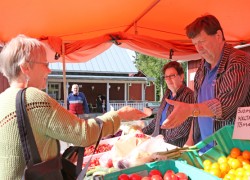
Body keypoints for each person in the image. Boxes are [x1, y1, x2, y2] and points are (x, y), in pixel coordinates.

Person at [0, 35, 149, 180]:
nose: (49, 70)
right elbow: (84, 134)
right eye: (45, 64)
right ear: (26, 67)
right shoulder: (33, 98)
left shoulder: (3, 99)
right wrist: (119, 115)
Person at [161, 14, 250, 151]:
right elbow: (196, 108)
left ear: (218, 36)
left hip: (240, 151)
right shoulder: (202, 68)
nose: (198, 48)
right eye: (195, 44)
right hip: (207, 149)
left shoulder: (239, 61)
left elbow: (226, 105)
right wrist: (190, 140)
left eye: (202, 41)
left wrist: (190, 110)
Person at [142, 61, 194, 147]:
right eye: (166, 77)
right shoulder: (167, 94)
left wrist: (164, 140)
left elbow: (185, 126)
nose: (168, 79)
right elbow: (158, 119)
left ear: (181, 77)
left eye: (172, 76)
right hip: (159, 141)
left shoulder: (189, 96)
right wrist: (142, 131)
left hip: (174, 145)